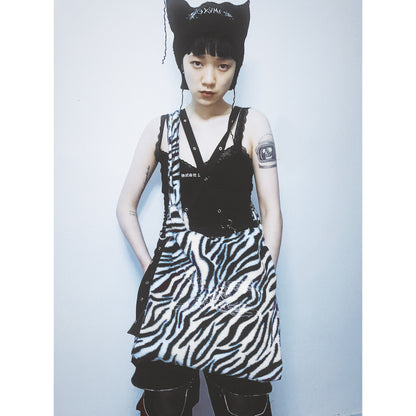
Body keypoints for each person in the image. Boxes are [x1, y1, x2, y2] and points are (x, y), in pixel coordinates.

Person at [116, 1, 283, 414]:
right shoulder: (161, 129)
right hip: (173, 288)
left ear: (236, 68)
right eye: (197, 63)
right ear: (182, 62)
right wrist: (150, 267)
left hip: (240, 283)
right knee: (165, 400)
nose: (209, 78)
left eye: (223, 66)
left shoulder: (253, 124)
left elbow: (271, 210)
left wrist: (260, 280)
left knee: (243, 403)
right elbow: (126, 206)